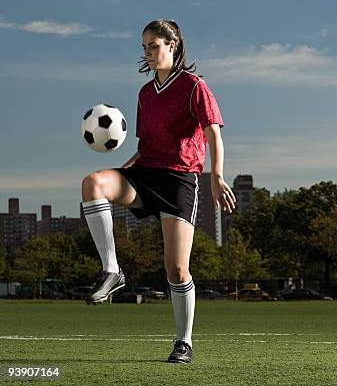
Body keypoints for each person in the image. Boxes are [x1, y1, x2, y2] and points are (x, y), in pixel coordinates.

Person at [80, 19, 236, 363]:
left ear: (173, 45)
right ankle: (112, 271)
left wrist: (216, 175)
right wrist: (125, 169)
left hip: (181, 181)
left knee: (177, 270)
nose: (149, 53)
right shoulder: (144, 94)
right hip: (147, 172)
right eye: (145, 47)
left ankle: (184, 342)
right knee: (93, 183)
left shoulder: (194, 86)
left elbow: (214, 135)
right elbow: (146, 144)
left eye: (154, 45)